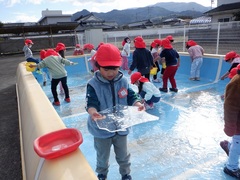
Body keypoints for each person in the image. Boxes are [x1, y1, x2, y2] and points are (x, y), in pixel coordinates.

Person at [85, 43, 145, 180]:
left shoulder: (123, 81)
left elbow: (130, 95)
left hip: (120, 127)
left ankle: (125, 174)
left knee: (123, 155)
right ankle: (102, 175)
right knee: (102, 156)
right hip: (101, 129)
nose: (111, 73)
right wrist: (93, 112)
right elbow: (91, 102)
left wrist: (137, 104)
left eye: (115, 68)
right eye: (106, 69)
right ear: (98, 66)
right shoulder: (93, 84)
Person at [219, 64, 240, 179]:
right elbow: (230, 107)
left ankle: (228, 145)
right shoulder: (236, 84)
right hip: (238, 123)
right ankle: (231, 168)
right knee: (239, 143)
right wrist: (230, 126)